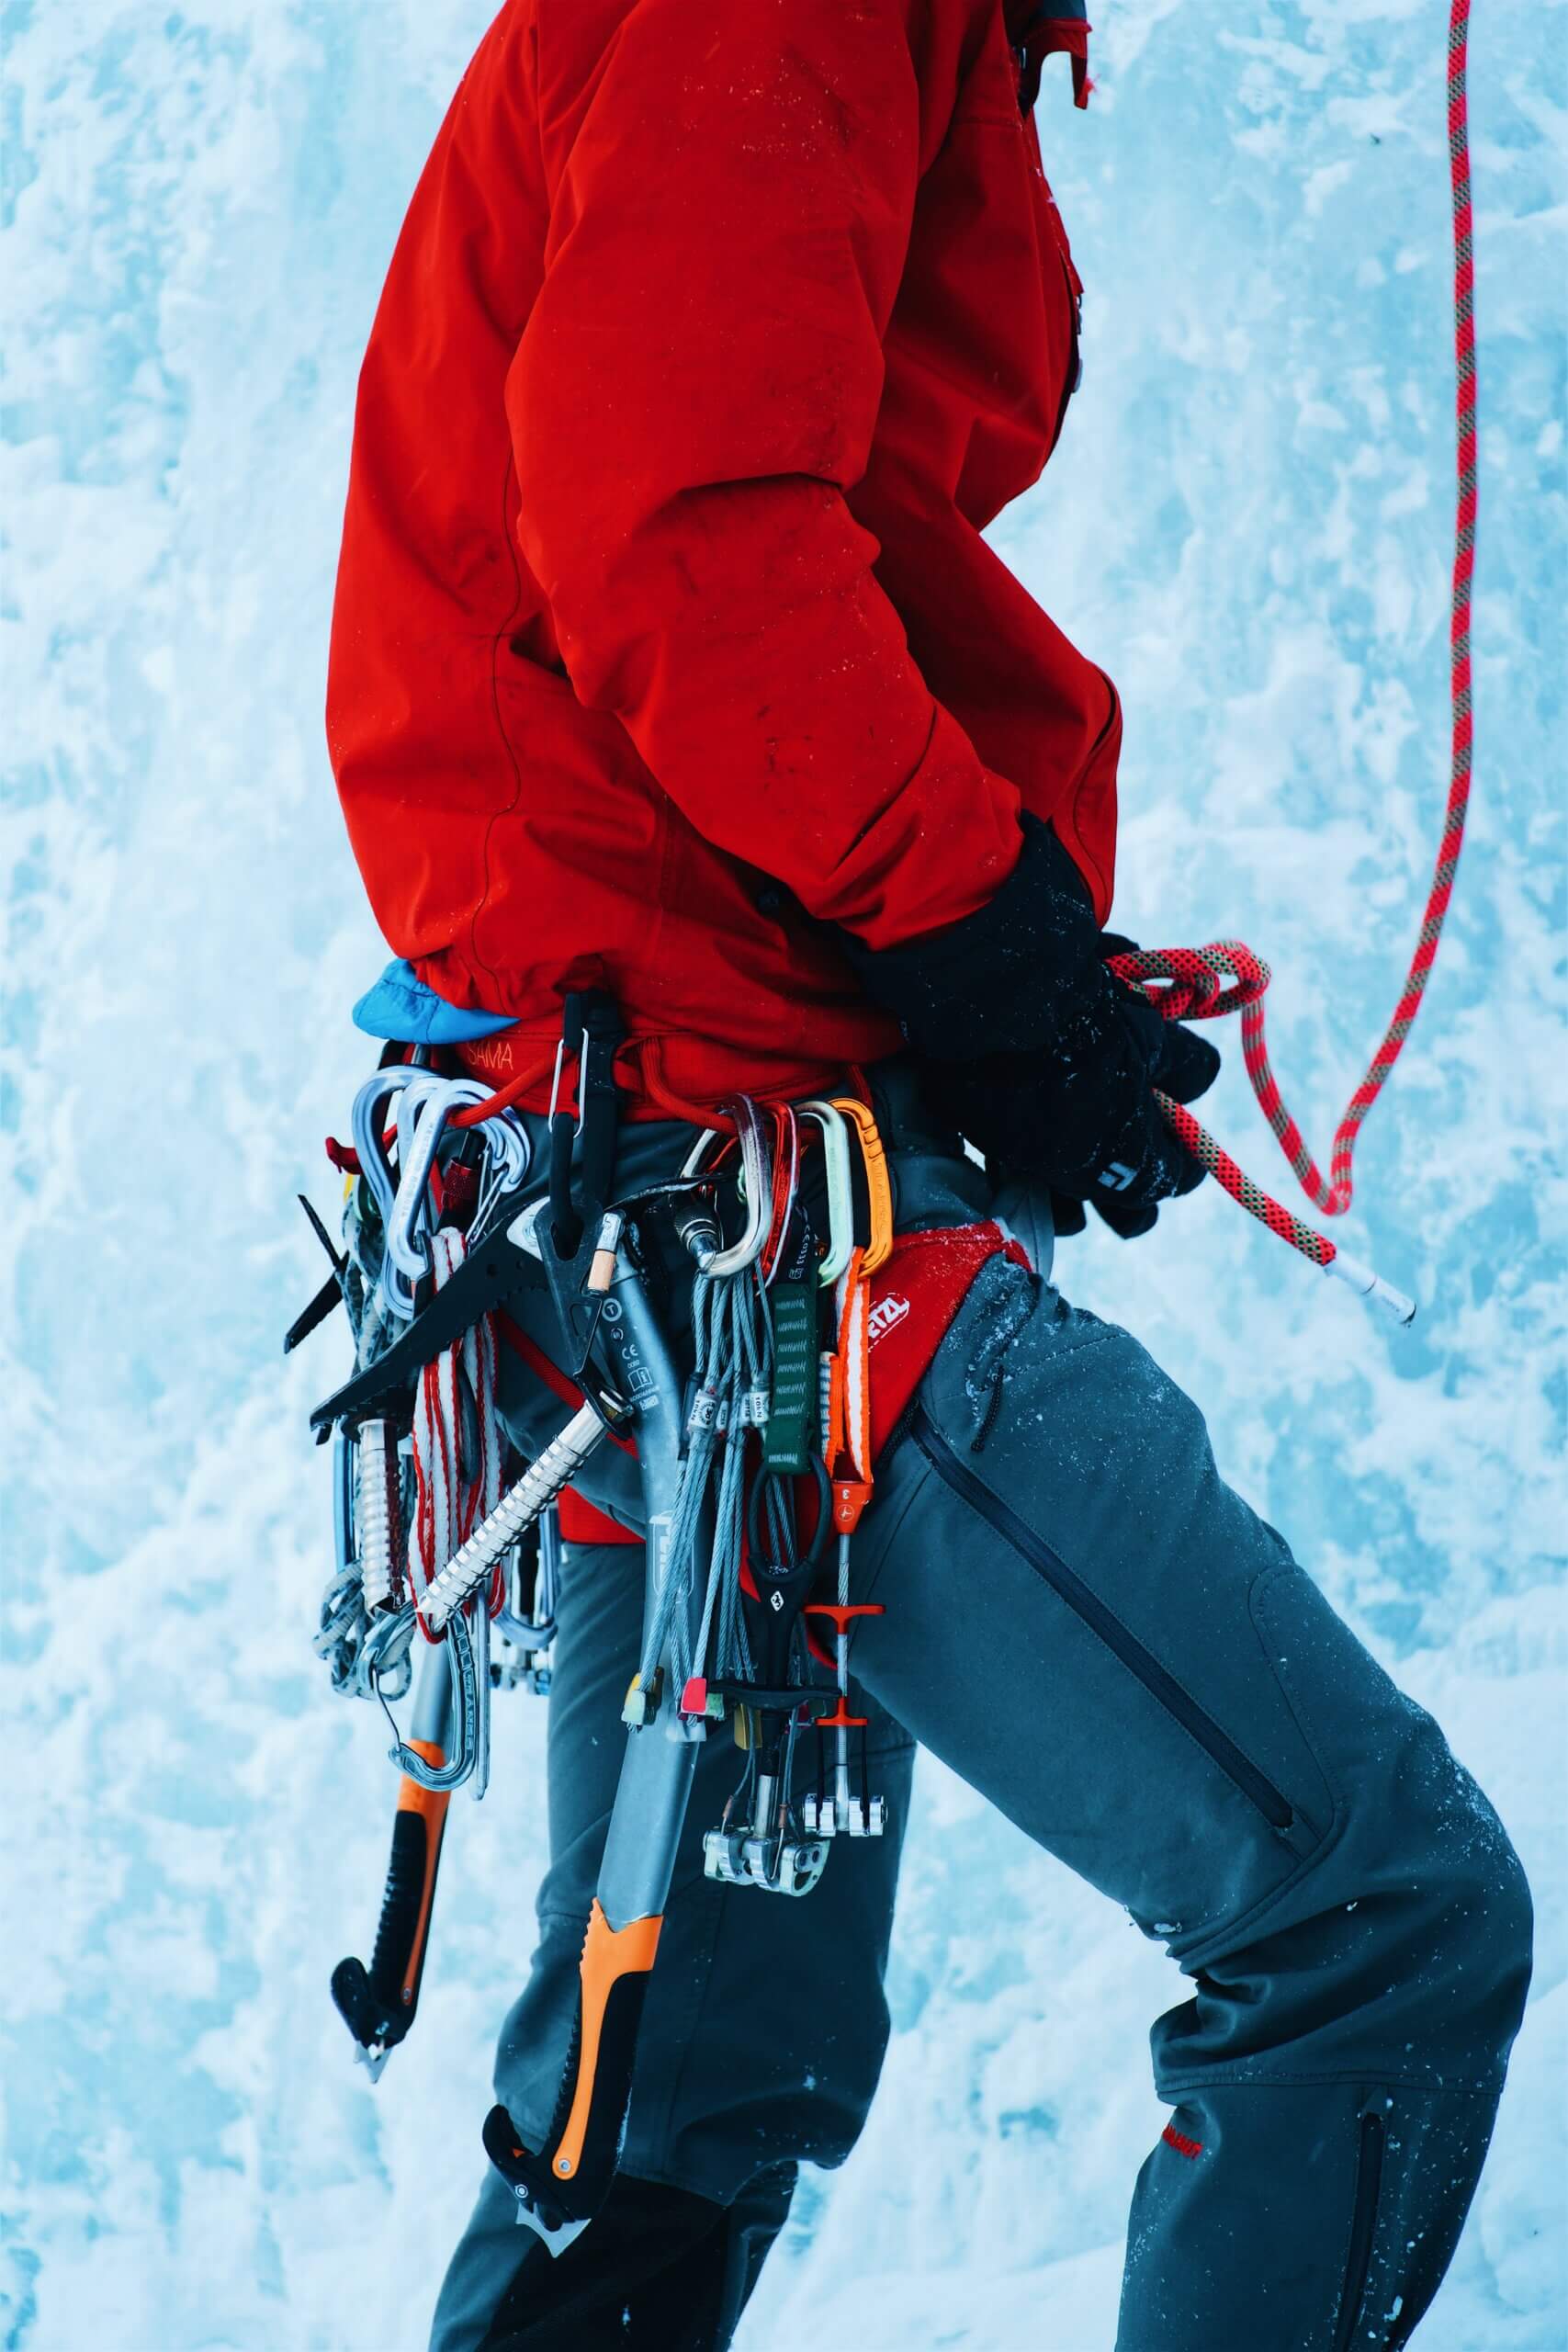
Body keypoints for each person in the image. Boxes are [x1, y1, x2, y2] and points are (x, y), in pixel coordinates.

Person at [325, 2, 1532, 2344]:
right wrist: (980, 934)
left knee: (686, 2080)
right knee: (1379, 1919)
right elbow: (676, 535)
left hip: (653, 1185)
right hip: (743, 1205)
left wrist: (984, 972)